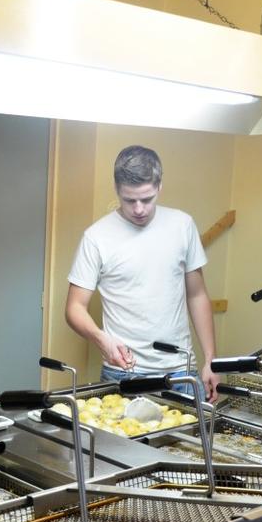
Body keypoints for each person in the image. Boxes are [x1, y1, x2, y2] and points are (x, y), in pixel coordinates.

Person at [65, 145, 219, 401]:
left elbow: (197, 295)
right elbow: (74, 308)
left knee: (188, 442)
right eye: (129, 200)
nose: (138, 209)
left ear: (159, 186)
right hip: (124, 374)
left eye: (146, 199)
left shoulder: (182, 225)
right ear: (117, 189)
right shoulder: (96, 237)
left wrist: (211, 360)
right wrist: (101, 339)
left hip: (181, 372)